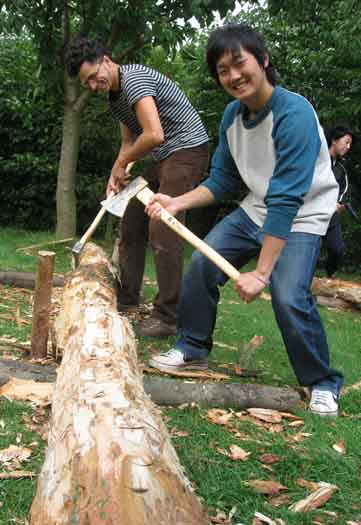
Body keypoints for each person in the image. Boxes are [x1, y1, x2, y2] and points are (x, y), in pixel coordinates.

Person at [146, 23, 344, 416]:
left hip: (303, 214)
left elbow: (288, 199)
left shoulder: (295, 113)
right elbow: (221, 179)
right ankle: (192, 347)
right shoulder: (232, 117)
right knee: (202, 265)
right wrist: (176, 202)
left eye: (239, 63)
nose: (233, 76)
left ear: (264, 60)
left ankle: (322, 382)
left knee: (289, 296)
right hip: (257, 206)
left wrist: (262, 272)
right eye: (223, 70)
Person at [65, 38, 209, 337]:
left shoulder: (134, 79)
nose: (93, 85)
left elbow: (154, 134)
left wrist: (123, 163)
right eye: (87, 82)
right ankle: (128, 298)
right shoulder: (114, 99)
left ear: (106, 59)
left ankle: (168, 317)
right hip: (163, 156)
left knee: (163, 227)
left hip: (187, 150)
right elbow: (129, 143)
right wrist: (116, 173)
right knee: (130, 221)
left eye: (94, 76)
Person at [323, 125, 354, 277]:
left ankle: (330, 274)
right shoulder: (317, 159)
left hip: (331, 216)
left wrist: (339, 203)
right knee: (310, 250)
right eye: (346, 142)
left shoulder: (341, 168)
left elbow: (345, 189)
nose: (348, 147)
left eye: (350, 144)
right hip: (309, 214)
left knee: (337, 249)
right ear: (334, 140)